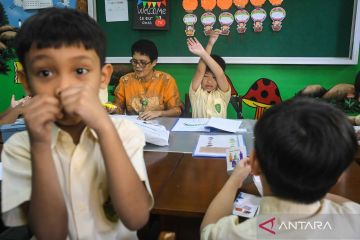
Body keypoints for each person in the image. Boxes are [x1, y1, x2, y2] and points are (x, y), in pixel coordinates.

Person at [1, 8, 153, 240]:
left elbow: (136, 217)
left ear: (103, 77)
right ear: (26, 82)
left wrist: (105, 129)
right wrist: (40, 146)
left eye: (80, 70)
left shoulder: (124, 133)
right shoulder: (20, 147)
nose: (64, 86)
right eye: (45, 72)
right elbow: (50, 234)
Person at [201, 97, 360, 239]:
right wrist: (314, 185)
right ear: (340, 176)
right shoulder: (354, 220)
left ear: (255, 163)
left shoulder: (239, 235)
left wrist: (234, 181)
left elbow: (208, 229)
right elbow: (351, 206)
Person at [113, 39, 182, 120]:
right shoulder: (125, 80)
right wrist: (112, 109)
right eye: (134, 61)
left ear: (154, 62)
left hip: (160, 126)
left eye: (143, 62)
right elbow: (119, 108)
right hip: (134, 127)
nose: (138, 66)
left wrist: (159, 113)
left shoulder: (166, 80)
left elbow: (177, 111)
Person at [187, 32, 231, 118]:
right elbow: (200, 71)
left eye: (214, 77)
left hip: (218, 131)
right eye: (206, 76)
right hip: (197, 131)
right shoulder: (196, 92)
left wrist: (203, 53)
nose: (209, 81)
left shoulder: (223, 94)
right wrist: (209, 45)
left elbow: (220, 74)